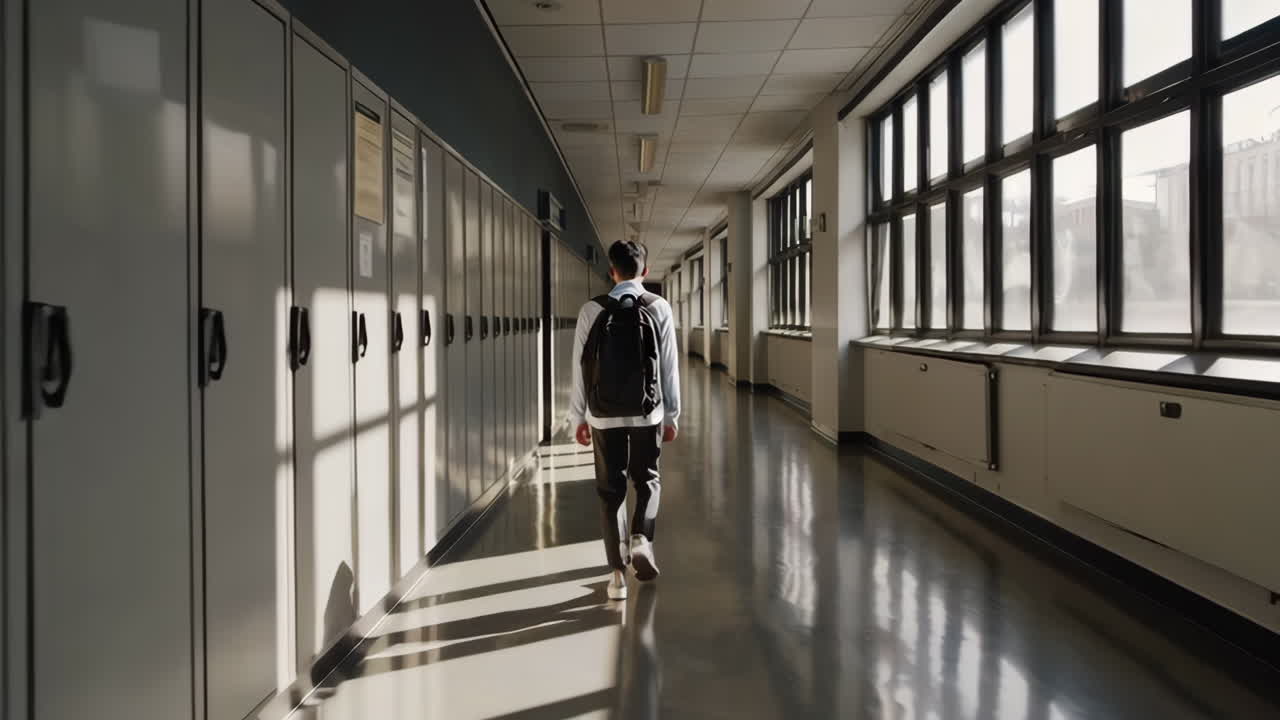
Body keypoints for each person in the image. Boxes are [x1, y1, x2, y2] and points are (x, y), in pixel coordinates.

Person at [568, 240, 680, 601]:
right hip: (648, 412)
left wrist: (578, 417)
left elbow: (580, 368)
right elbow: (668, 368)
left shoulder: (591, 310)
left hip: (602, 414)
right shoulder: (658, 306)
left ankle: (616, 575)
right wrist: (672, 415)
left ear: (611, 272)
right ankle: (641, 538)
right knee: (647, 479)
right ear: (644, 271)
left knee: (609, 489)